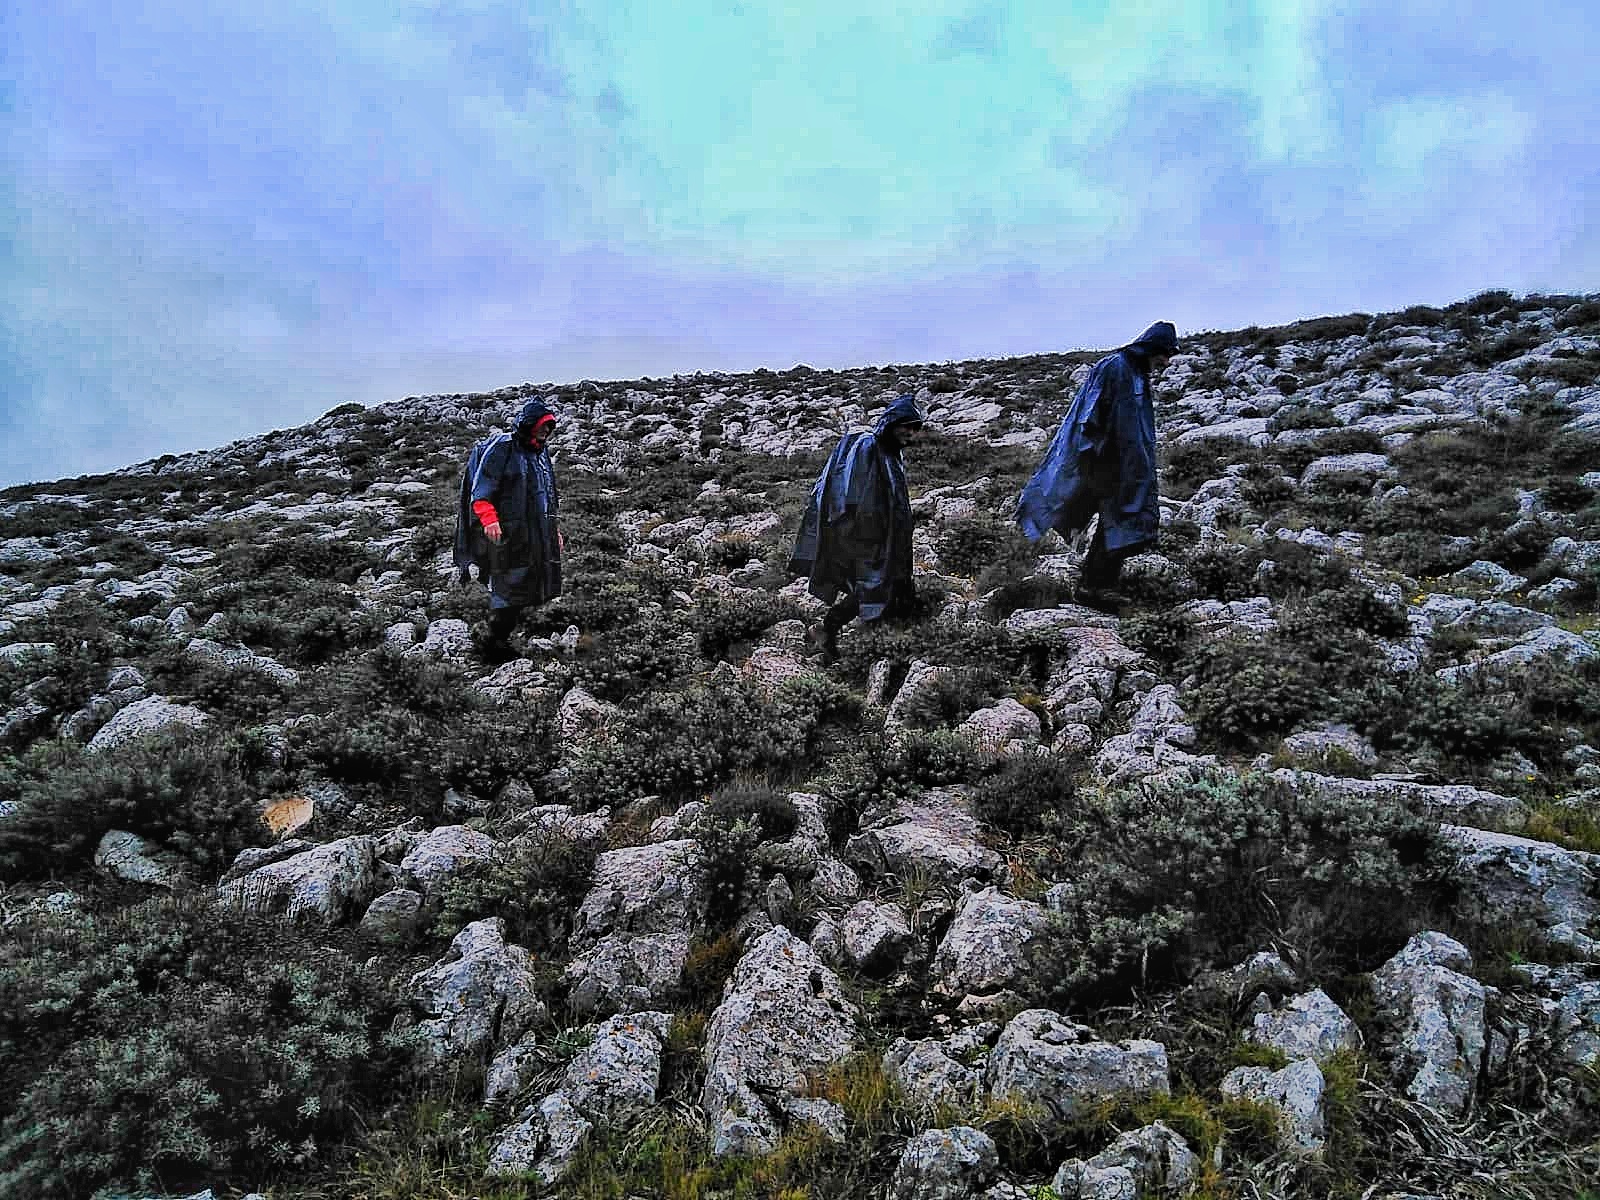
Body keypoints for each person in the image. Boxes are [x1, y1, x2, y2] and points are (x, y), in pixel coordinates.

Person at [1015, 321, 1178, 611]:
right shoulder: (1115, 367)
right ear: (1152, 347)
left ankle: (1098, 584)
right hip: (1104, 464)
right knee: (1103, 518)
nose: (1165, 361)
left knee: (1121, 522)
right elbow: (1091, 415)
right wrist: (1094, 462)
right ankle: (1089, 586)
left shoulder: (1137, 373)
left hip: (1125, 466)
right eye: (1164, 353)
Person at [789, 394, 926, 662]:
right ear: (892, 423)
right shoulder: (868, 445)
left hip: (886, 534)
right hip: (863, 535)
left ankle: (838, 632)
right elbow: (850, 492)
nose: (911, 433)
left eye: (915, 428)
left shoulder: (891, 452)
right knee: (874, 583)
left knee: (885, 583)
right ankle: (840, 635)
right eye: (906, 426)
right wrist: (859, 532)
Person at [453, 397, 564, 662]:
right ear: (529, 424)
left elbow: (548, 495)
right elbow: (482, 490)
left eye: (550, 427)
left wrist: (554, 530)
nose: (547, 431)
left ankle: (509, 634)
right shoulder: (503, 448)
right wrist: (489, 519)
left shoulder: (540, 452)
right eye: (543, 426)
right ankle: (493, 645)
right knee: (509, 584)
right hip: (508, 534)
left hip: (536, 532)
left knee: (534, 579)